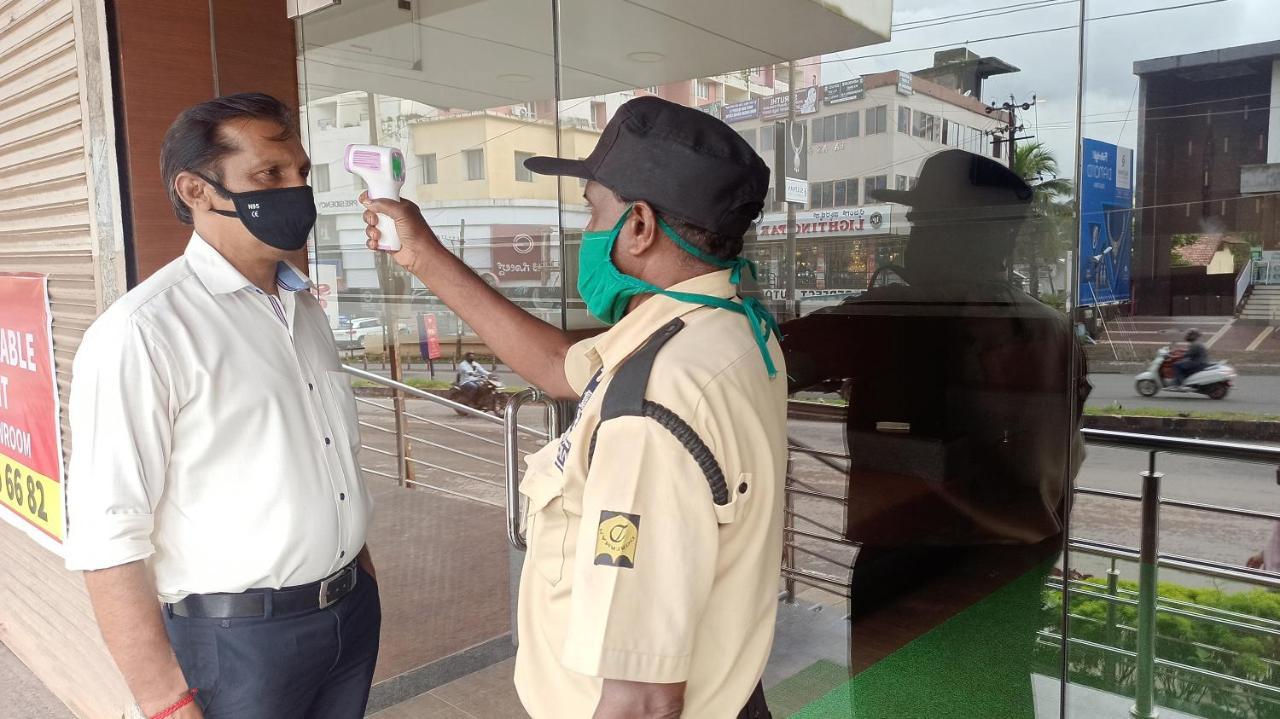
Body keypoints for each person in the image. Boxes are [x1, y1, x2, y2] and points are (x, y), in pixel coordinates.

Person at [360, 96, 786, 719]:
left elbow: (642, 699)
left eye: (593, 212)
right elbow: (562, 367)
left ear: (638, 226)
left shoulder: (652, 399)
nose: (586, 233)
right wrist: (421, 254)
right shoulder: (727, 328)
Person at [65, 93, 379, 719]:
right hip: (236, 644)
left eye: (301, 174)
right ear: (196, 190)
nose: (296, 191)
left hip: (348, 617)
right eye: (270, 175)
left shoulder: (303, 307)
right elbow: (108, 533)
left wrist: (359, 574)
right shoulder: (144, 332)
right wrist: (164, 701)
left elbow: (328, 457)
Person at [783, 149, 1091, 611]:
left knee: (888, 684)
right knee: (999, 683)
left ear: (953, 234)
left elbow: (764, 359)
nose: (915, 237)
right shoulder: (1055, 329)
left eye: (923, 222)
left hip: (912, 560)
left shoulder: (894, 316)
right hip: (1017, 560)